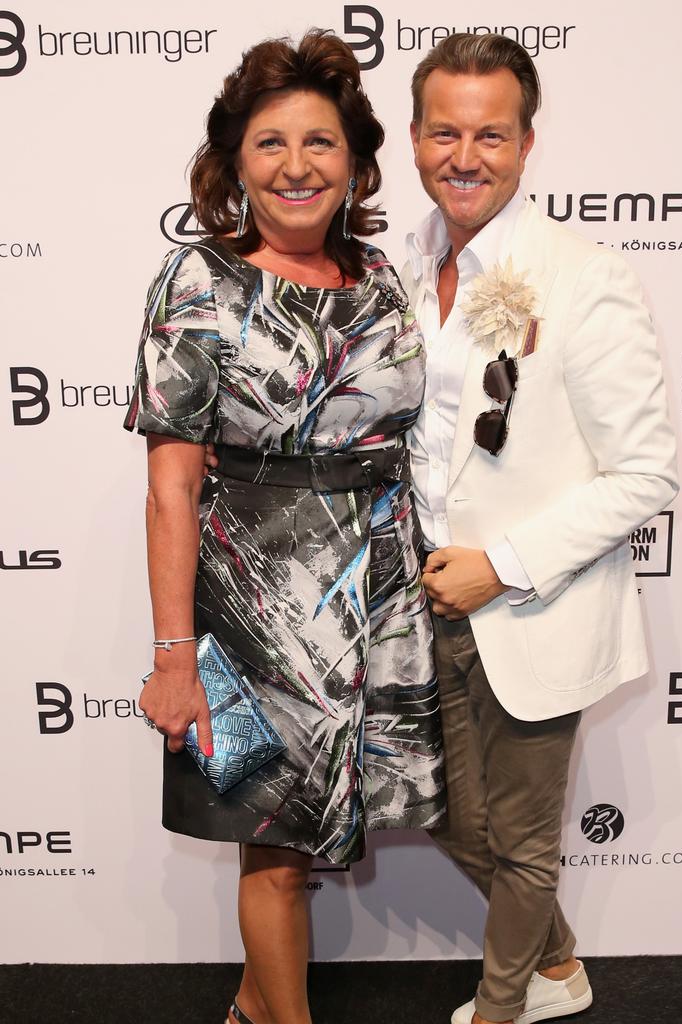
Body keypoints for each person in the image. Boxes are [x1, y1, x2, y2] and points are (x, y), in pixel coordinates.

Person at [125, 31, 444, 1024]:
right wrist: (175, 654)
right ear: (235, 162)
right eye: (270, 143)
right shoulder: (198, 283)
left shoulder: (385, 278)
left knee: (309, 836)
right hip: (254, 594)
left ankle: (254, 1008)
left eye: (320, 143)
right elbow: (171, 486)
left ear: (354, 162)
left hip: (377, 593)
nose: (297, 167)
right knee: (272, 835)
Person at [401, 33, 679, 1024]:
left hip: (533, 600)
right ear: (415, 135)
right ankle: (559, 958)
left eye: (489, 133)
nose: (463, 156)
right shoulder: (404, 264)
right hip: (419, 602)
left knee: (521, 839)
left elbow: (646, 472)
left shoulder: (583, 275)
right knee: (438, 813)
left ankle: (509, 1001)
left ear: (526, 141)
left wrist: (504, 565)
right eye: (444, 131)